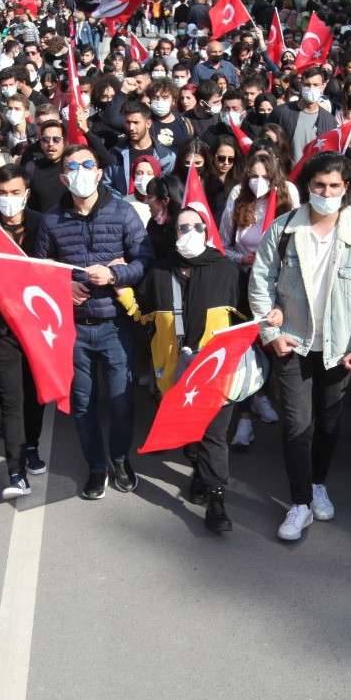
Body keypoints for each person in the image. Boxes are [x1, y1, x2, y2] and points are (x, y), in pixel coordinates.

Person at [249, 152, 351, 541]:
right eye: (319, 186)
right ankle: (299, 504)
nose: (326, 193)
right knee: (296, 425)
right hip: (293, 346)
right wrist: (270, 334)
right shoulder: (283, 230)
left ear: (346, 189)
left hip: (340, 349)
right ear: (307, 186)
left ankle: (317, 483)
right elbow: (260, 283)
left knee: (328, 423)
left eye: (334, 187)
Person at [34, 142, 153, 499]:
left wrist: (116, 277)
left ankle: (119, 459)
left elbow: (144, 259)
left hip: (117, 327)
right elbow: (39, 272)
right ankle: (96, 468)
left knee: (121, 401)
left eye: (88, 165)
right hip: (74, 331)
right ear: (63, 177)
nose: (81, 173)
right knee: (83, 405)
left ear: (100, 173)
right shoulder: (52, 219)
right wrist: (63, 287)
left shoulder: (122, 213)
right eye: (73, 168)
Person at [123, 205, 246, 530]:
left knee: (214, 436)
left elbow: (248, 318)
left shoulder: (225, 271)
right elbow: (143, 316)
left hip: (218, 372)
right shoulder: (160, 274)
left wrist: (272, 317)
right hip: (176, 374)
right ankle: (200, 472)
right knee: (192, 437)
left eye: (197, 227)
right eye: (183, 227)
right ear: (172, 233)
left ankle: (216, 502)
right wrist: (123, 293)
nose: (190, 233)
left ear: (207, 233)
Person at [0, 166, 48, 499]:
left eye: (14, 192)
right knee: (10, 400)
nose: (8, 199)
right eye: (2, 193)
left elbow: (53, 269)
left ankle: (32, 445)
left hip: (37, 328)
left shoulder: (42, 224)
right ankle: (15, 471)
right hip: (1, 329)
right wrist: (0, 303)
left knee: (34, 395)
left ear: (26, 194)